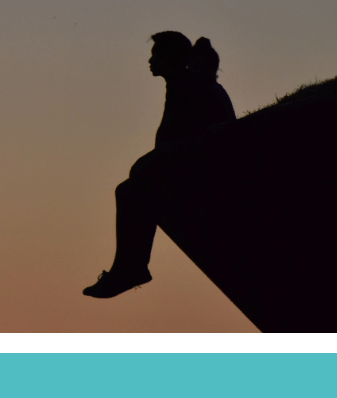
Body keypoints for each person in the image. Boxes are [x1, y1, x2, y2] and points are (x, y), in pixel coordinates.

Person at [83, 33, 237, 298]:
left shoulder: (190, 87)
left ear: (170, 59)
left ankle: (130, 268)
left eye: (156, 55)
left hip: (207, 176)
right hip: (194, 169)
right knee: (130, 188)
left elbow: (195, 141)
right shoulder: (182, 85)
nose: (150, 60)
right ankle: (129, 267)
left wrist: (148, 166)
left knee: (130, 190)